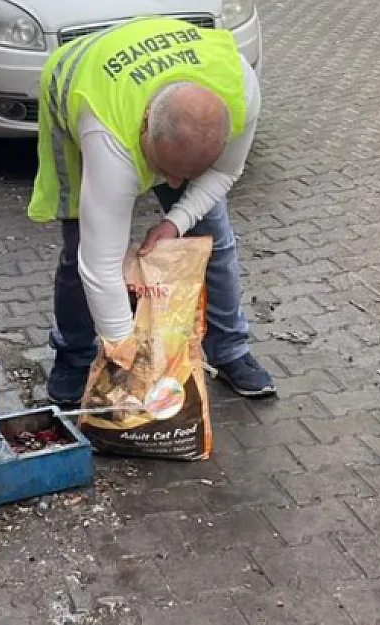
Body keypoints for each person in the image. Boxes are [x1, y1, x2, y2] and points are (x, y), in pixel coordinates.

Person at [26, 15, 276, 406]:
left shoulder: (240, 89)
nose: (172, 186)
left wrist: (176, 223)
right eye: (165, 171)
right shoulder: (107, 134)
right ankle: (74, 358)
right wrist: (130, 364)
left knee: (212, 238)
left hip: (151, 68)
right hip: (79, 81)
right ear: (143, 127)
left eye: (185, 176)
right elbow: (100, 266)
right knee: (81, 245)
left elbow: (226, 171)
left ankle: (229, 349)